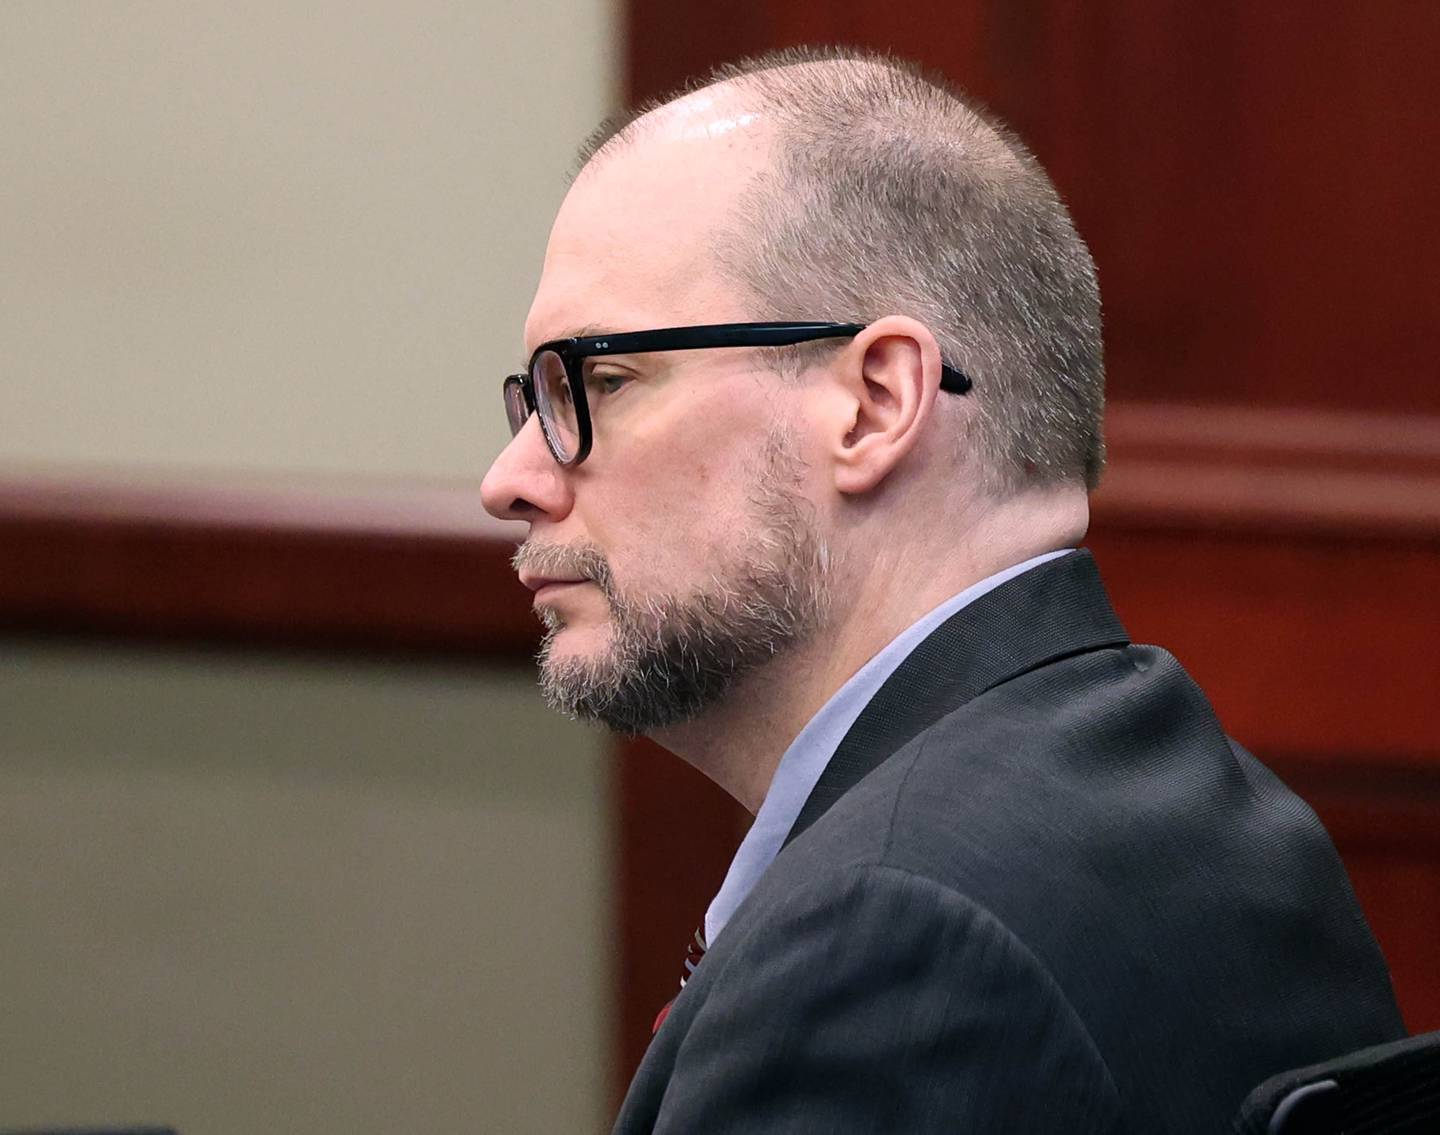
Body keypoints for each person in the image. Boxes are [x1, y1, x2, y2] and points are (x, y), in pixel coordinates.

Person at [480, 45, 1404, 1134]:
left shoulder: (885, 942)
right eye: (534, 401)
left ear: (875, 403)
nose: (511, 480)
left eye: (600, 381)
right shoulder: (1217, 814)